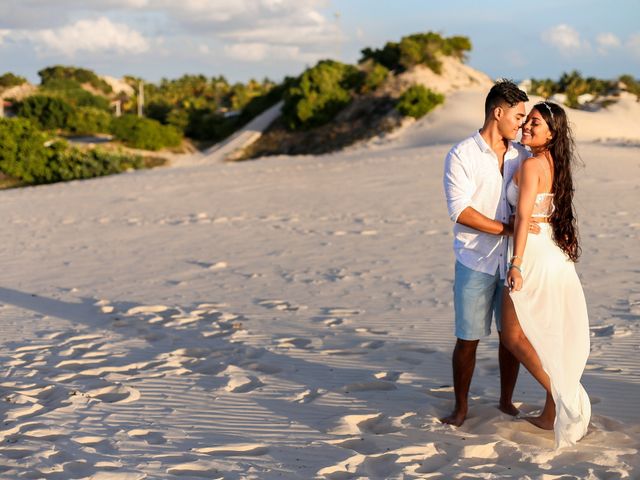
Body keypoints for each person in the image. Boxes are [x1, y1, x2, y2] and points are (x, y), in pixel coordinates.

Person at [442, 80, 537, 426]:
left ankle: (506, 401)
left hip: (513, 262)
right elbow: (461, 211)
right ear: (497, 113)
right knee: (468, 339)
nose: (523, 123)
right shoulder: (461, 154)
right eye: (518, 115)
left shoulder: (522, 154)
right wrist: (508, 228)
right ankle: (461, 407)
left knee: (511, 337)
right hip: (474, 260)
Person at [501, 101, 590, 448]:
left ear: (551, 133)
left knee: (512, 335)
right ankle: (552, 412)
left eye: (534, 124)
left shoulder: (533, 163)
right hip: (553, 253)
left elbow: (524, 218)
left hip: (534, 257)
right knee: (546, 333)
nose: (526, 128)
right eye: (526, 122)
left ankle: (566, 398)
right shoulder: (555, 162)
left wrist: (516, 264)